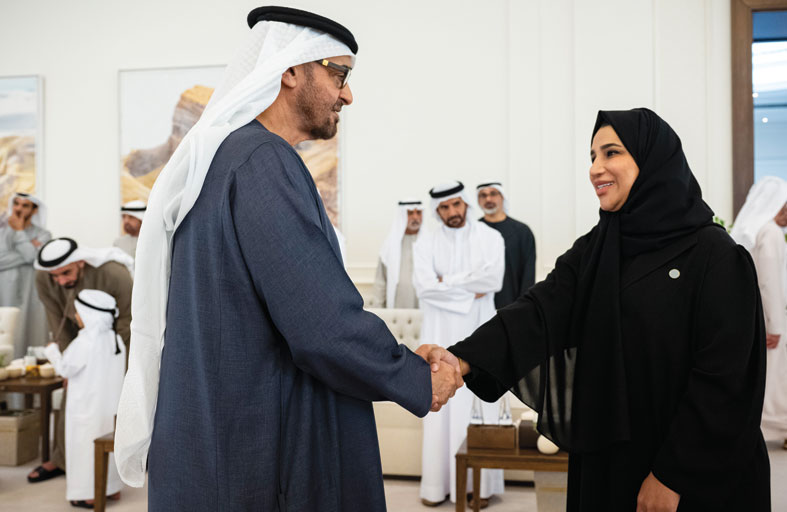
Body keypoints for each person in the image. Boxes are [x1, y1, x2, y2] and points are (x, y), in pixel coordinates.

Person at [114, 7, 460, 511]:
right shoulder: (263, 160)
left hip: (221, 437)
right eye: (339, 75)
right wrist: (413, 376)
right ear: (293, 70)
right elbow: (322, 324)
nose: (347, 95)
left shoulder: (231, 157)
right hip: (258, 448)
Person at [422, 108, 771, 511]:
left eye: (611, 153)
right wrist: (460, 359)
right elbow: (538, 311)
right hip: (614, 458)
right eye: (592, 156)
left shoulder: (715, 255)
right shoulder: (598, 248)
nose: (595, 168)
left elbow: (726, 378)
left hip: (692, 472)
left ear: (652, 160)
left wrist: (673, 475)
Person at [414, 181, 505, 508]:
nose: (452, 211)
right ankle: (437, 487)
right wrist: (468, 288)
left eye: (456, 204)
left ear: (465, 203)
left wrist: (446, 282)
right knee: (441, 407)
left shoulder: (491, 238)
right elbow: (425, 288)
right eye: (444, 207)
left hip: (480, 333)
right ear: (437, 211)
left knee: (478, 404)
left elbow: (493, 280)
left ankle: (480, 489)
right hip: (440, 334)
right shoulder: (425, 242)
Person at [26, 237, 133, 484]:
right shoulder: (44, 279)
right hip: (79, 342)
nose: (61, 281)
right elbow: (57, 322)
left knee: (119, 401)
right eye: (55, 276)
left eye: (66, 273)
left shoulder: (113, 274)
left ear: (81, 262)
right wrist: (69, 363)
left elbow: (128, 320)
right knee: (74, 393)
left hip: (118, 344)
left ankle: (125, 462)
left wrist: (107, 361)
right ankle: (63, 459)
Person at [44, 289, 126, 508]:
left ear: (90, 314)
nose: (76, 316)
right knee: (109, 448)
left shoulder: (85, 342)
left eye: (78, 312)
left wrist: (52, 352)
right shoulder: (116, 340)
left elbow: (65, 369)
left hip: (87, 411)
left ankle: (89, 493)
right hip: (109, 411)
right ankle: (112, 488)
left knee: (84, 450)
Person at [731, 177, 787, 447]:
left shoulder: (754, 231)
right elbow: (769, 283)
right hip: (769, 320)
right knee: (774, 378)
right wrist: (774, 326)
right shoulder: (771, 233)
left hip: (752, 318)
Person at [0, 192, 51, 357]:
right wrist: (31, 248)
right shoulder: (2, 232)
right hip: (5, 291)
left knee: (30, 329)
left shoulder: (44, 234)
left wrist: (20, 232)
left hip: (31, 291)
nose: (19, 209)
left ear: (34, 210)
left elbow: (34, 257)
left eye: (25, 205)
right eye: (16, 204)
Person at [477, 182, 536, 308]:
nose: (488, 199)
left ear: (502, 197)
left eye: (493, 194)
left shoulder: (522, 232)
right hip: (478, 305)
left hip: (511, 306)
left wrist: (522, 307)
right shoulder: (472, 232)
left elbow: (528, 274)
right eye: (483, 195)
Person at [372, 199, 423, 308]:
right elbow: (380, 283)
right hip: (397, 309)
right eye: (410, 213)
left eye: (418, 213)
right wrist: (377, 310)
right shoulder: (389, 247)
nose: (415, 217)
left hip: (425, 308)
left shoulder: (430, 243)